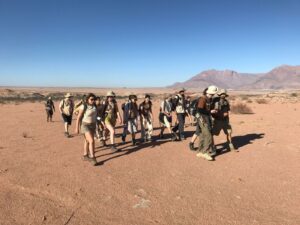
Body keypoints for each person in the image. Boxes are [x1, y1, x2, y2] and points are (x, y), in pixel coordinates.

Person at [195, 85, 218, 161]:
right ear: (209, 93)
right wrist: (210, 111)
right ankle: (205, 152)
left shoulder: (209, 99)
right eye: (212, 94)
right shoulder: (203, 99)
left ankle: (200, 151)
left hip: (205, 119)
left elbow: (207, 110)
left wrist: (213, 112)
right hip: (202, 119)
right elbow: (200, 110)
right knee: (208, 135)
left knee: (202, 135)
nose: (213, 95)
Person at [75, 93, 98, 166]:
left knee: (87, 141)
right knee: (91, 140)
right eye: (91, 99)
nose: (93, 101)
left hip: (93, 125)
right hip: (85, 125)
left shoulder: (94, 106)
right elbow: (78, 117)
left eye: (94, 99)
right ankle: (93, 157)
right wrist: (77, 128)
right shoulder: (84, 106)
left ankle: (85, 155)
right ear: (87, 100)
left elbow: (96, 116)